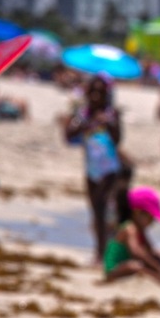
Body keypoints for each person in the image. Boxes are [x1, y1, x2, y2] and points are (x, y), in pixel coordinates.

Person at [65, 77, 126, 263]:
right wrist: (86, 122)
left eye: (100, 92)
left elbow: (118, 140)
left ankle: (107, 252)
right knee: (96, 211)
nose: (96, 96)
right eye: (92, 92)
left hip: (109, 169)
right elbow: (69, 135)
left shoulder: (111, 114)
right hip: (91, 169)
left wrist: (108, 123)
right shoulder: (83, 114)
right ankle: (100, 252)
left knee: (106, 210)